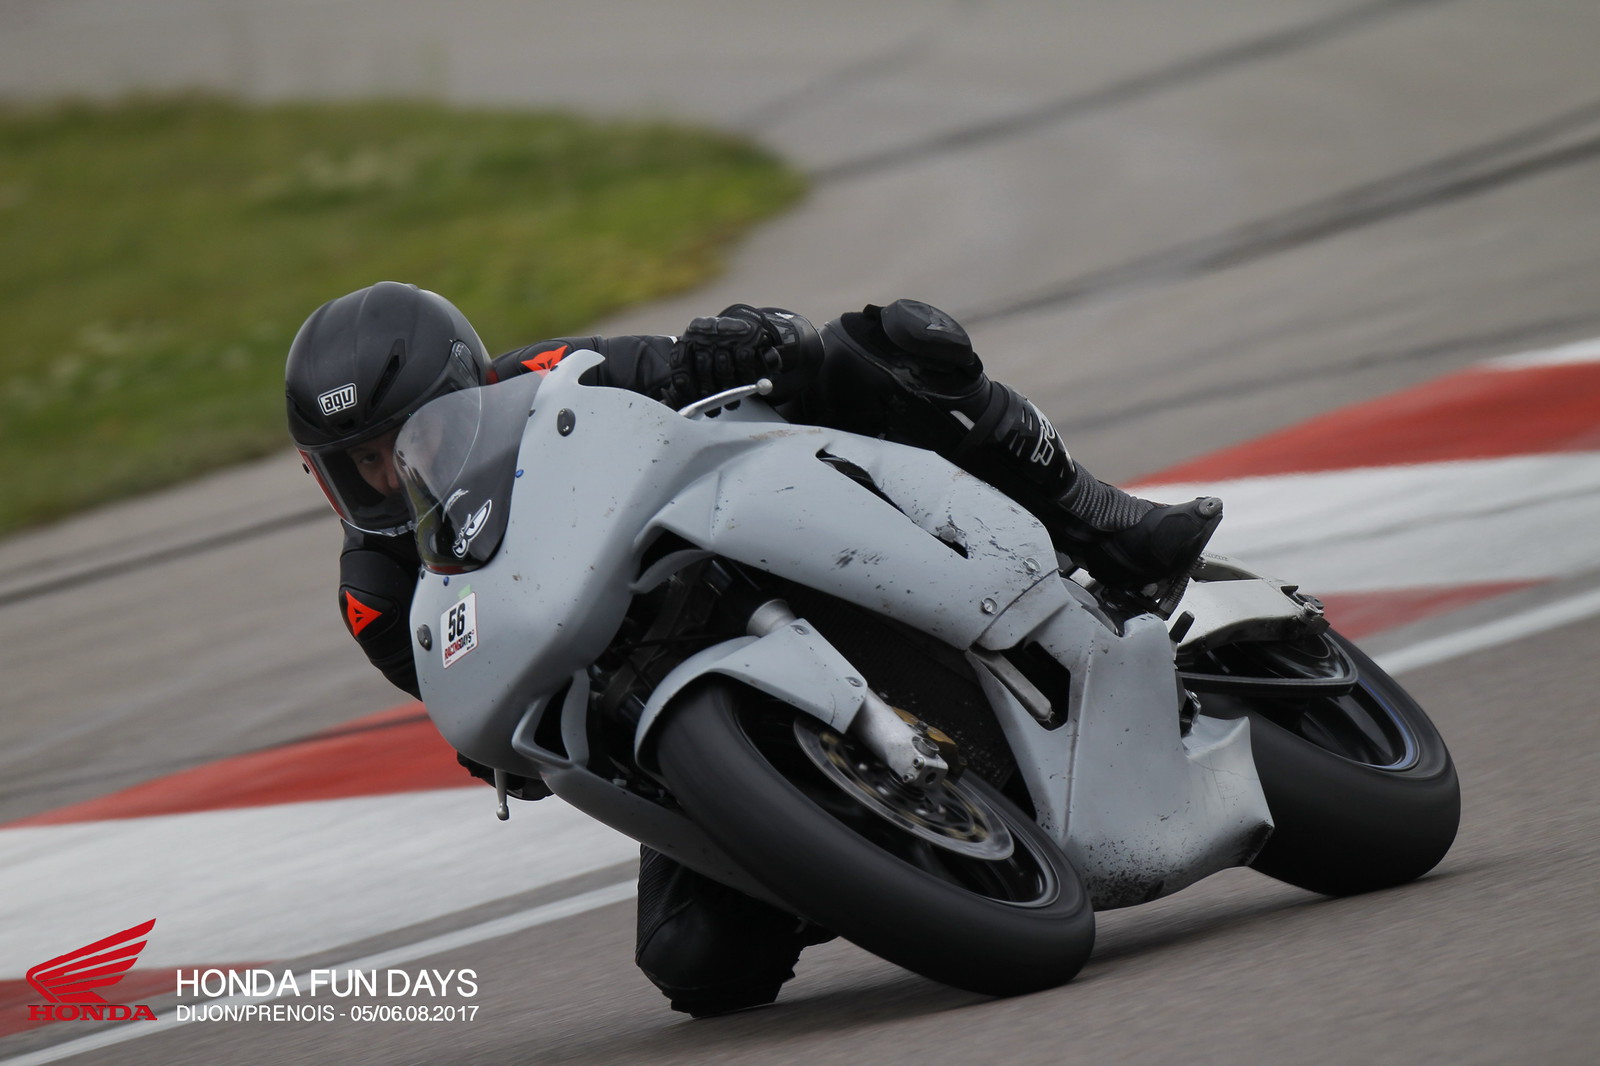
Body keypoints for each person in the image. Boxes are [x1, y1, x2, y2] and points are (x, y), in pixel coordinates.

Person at [285, 280, 1222, 1016]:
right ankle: (840, 848)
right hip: (660, 713)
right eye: (359, 465)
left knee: (880, 346)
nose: (390, 475)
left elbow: (715, 366)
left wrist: (745, 337)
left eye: (409, 441)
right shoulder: (381, 596)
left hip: (771, 553)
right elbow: (486, 721)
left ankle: (1105, 523)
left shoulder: (557, 375)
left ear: (471, 388)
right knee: (697, 969)